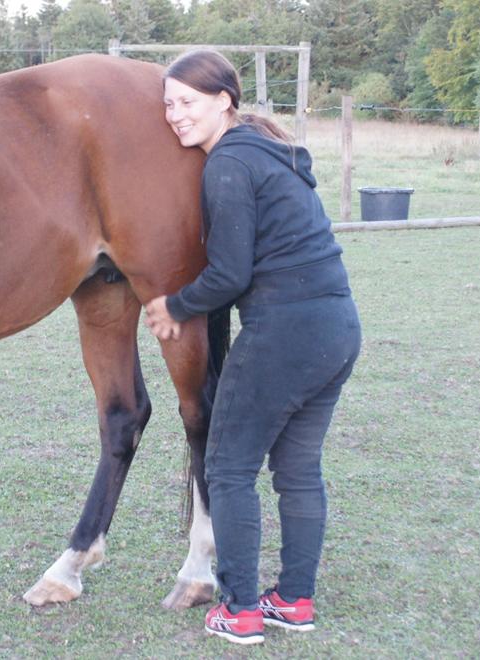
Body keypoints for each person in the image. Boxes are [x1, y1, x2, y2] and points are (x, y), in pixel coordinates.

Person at [145, 50, 362, 646]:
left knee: (228, 467)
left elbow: (229, 274)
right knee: (298, 471)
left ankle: (239, 609)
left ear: (224, 100)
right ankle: (293, 599)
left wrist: (173, 306)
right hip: (337, 326)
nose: (175, 115)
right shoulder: (270, 151)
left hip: (283, 333)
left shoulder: (229, 163)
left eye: (187, 102)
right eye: (168, 104)